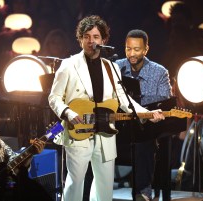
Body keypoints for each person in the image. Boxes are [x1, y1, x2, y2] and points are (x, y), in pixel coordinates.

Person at [48, 15, 165, 201]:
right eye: (86, 36)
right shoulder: (68, 65)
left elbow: (124, 100)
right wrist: (68, 112)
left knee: (104, 184)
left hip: (104, 133)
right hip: (78, 130)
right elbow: (53, 97)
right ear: (80, 40)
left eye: (95, 37)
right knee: (75, 181)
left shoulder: (111, 67)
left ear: (103, 40)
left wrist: (147, 113)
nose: (91, 41)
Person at [115, 29, 172, 201]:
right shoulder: (116, 66)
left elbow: (165, 100)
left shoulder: (159, 71)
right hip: (118, 125)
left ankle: (143, 193)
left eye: (137, 49)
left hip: (146, 127)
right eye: (128, 49)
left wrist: (143, 108)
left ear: (146, 49)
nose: (131, 54)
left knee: (144, 140)